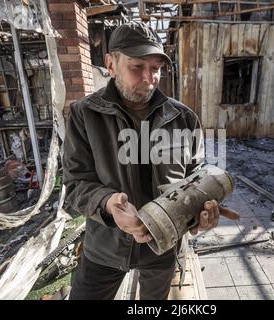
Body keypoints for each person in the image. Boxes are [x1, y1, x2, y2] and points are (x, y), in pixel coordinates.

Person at [62, 21, 238, 300]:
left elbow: (196, 180)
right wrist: (109, 203)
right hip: (106, 247)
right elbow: (75, 184)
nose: (149, 77)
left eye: (155, 68)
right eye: (137, 67)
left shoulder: (183, 118)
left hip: (165, 247)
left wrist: (199, 216)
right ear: (110, 64)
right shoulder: (84, 115)